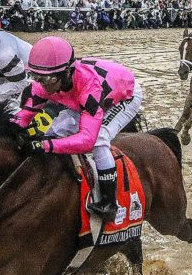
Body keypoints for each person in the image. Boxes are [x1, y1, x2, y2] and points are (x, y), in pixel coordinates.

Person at [15, 36, 143, 220]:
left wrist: (45, 146)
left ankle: (109, 203)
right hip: (82, 96)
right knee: (53, 131)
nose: (41, 85)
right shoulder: (47, 82)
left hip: (124, 96)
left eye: (46, 79)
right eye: (36, 78)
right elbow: (23, 117)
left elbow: (87, 140)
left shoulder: (89, 86)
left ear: (65, 73)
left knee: (99, 139)